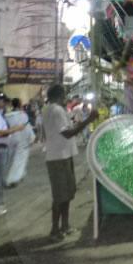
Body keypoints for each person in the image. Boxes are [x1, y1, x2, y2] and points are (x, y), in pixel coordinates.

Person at [43, 84, 98, 241]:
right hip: (58, 157)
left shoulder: (51, 110)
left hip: (63, 155)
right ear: (60, 94)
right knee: (60, 196)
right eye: (65, 94)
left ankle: (65, 226)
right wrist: (89, 120)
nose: (67, 96)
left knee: (66, 194)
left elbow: (66, 128)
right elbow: (68, 133)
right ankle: (55, 230)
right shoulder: (56, 110)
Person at [5, 99, 35, 187]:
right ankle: (13, 179)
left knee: (11, 158)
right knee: (20, 159)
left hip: (10, 138)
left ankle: (20, 174)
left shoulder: (7, 116)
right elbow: (26, 126)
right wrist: (31, 138)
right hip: (22, 138)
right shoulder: (22, 115)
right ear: (20, 105)